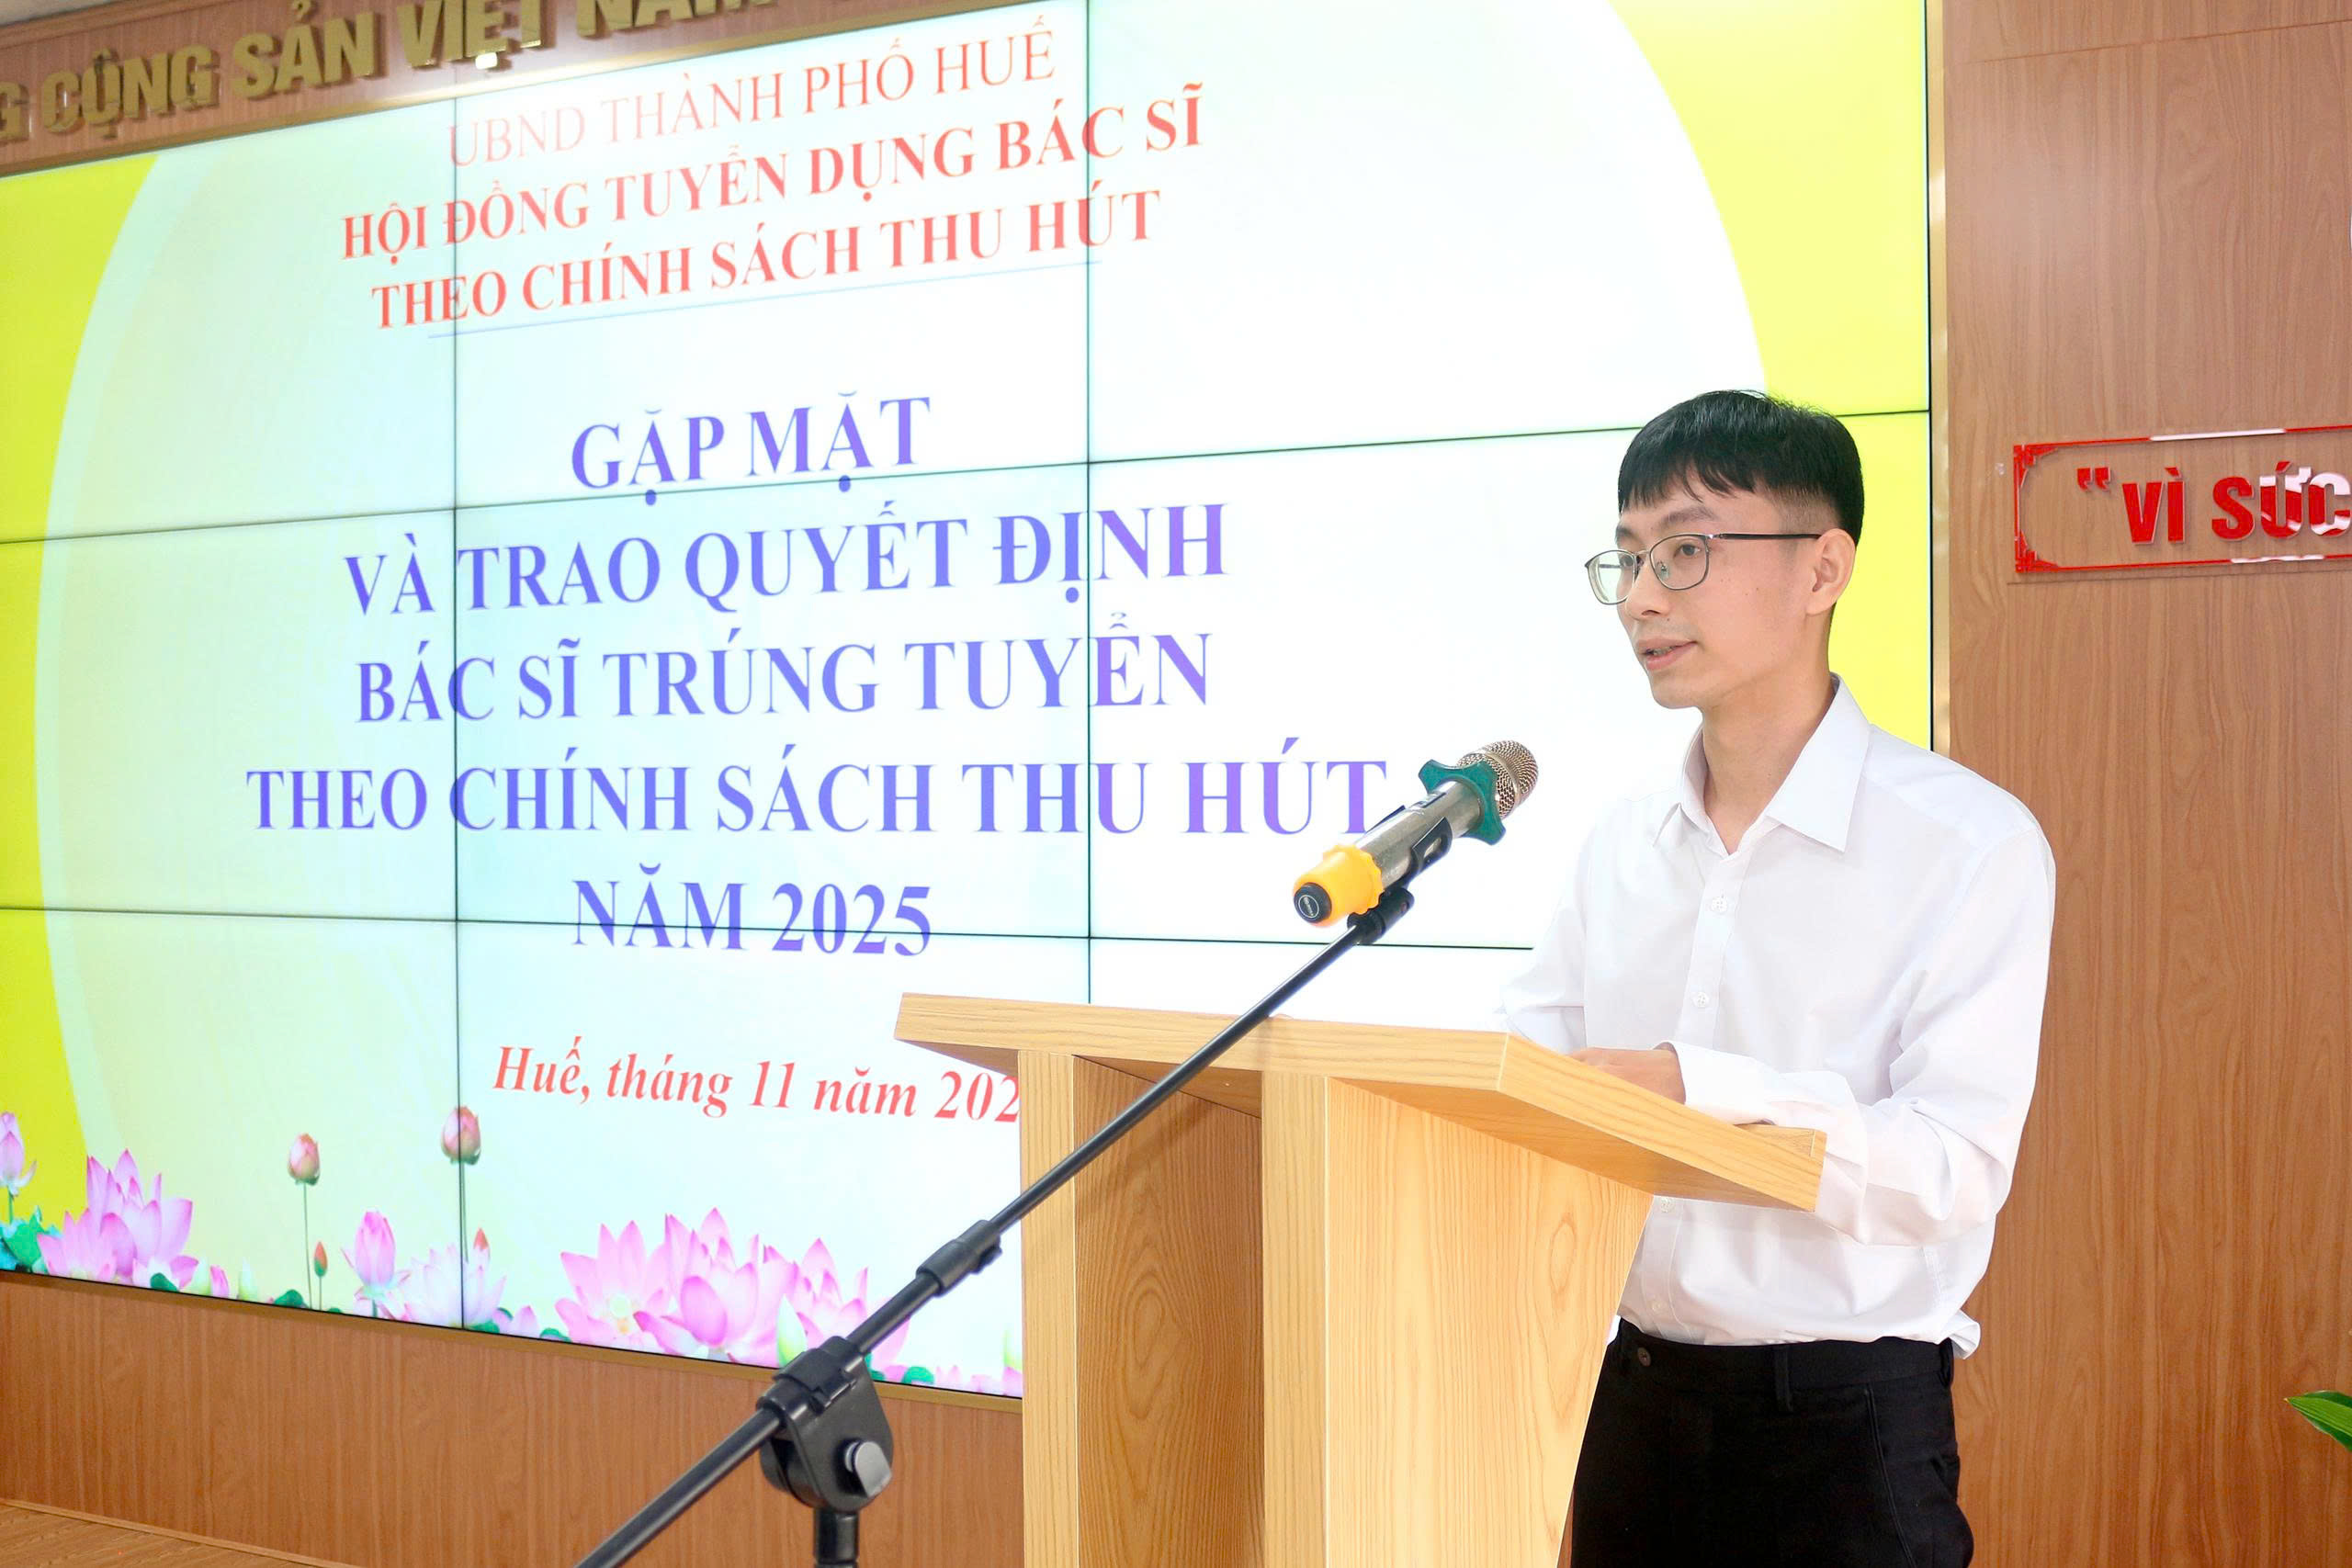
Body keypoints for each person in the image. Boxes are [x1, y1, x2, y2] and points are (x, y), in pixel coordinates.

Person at [1502, 389, 2054, 1567]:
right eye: (1628, 558)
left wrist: (1693, 1090)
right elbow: (1526, 1078)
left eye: (1685, 551)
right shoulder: (1619, 841)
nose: (1642, 597)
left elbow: (1950, 1169)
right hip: (1630, 1410)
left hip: (1843, 1433)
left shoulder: (1967, 842)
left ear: (1822, 569)